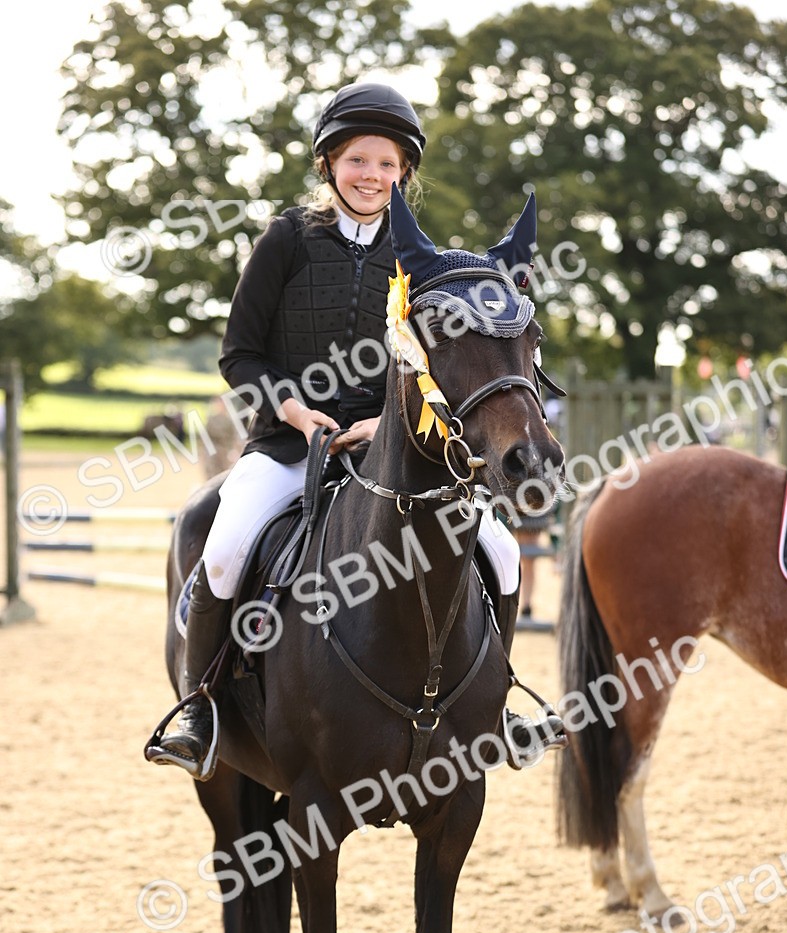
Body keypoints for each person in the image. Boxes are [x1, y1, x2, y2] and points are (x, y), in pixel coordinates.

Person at [149, 81, 554, 779]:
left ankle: (494, 705)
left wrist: (381, 422)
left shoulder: (418, 260)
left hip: (389, 449)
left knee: (502, 552)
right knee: (225, 543)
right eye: (357, 160)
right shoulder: (285, 240)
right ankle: (200, 708)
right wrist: (294, 412)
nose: (371, 174)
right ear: (329, 163)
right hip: (288, 444)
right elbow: (239, 353)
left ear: (404, 173)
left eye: (387, 163)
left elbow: (432, 362)